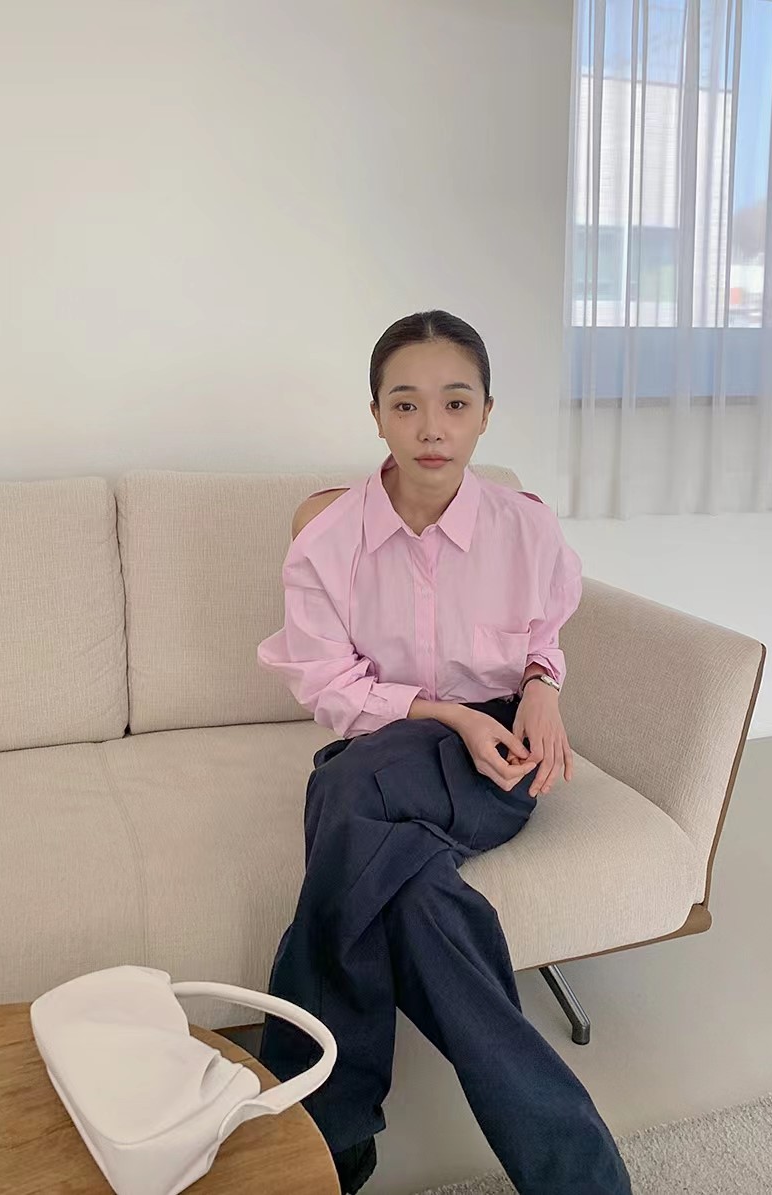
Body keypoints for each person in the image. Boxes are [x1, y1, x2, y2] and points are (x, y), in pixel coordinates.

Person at [255, 310, 633, 1195]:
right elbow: (327, 683)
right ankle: (580, 1176)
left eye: (456, 403)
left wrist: (542, 684)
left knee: (343, 797)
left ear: (486, 413)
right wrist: (442, 713)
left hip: (495, 755)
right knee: (420, 898)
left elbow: (545, 633)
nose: (432, 427)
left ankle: (324, 1125)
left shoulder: (525, 526)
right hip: (387, 745)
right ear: (376, 415)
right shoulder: (329, 537)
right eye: (407, 404)